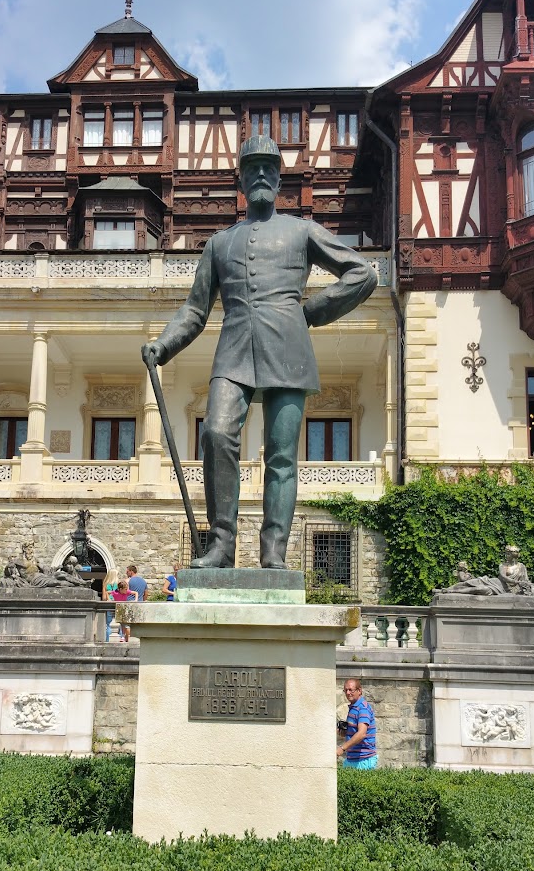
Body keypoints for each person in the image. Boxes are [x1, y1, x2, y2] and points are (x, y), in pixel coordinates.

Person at [142, 134, 377, 570]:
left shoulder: (302, 231)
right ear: (242, 180)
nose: (263, 174)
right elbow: (194, 311)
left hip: (289, 349)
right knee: (215, 432)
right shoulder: (218, 243)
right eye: (254, 168)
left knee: (282, 454)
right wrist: (163, 345)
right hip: (233, 352)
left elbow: (362, 274)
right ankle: (221, 545)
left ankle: (274, 553)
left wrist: (310, 312)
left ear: (280, 177)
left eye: (270, 167)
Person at [336, 678, 378, 770]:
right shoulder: (354, 707)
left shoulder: (363, 708)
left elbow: (361, 734)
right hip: (352, 759)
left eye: (351, 690)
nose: (347, 693)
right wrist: (343, 732)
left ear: (359, 691)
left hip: (363, 760)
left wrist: (342, 749)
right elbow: (354, 732)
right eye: (345, 690)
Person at [109, 578, 138, 643]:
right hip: (118, 609)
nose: (127, 590)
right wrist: (110, 600)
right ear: (120, 589)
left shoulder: (126, 592)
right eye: (125, 589)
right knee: (121, 623)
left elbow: (136, 593)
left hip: (124, 609)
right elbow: (108, 593)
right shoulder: (115, 593)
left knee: (124, 624)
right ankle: (123, 636)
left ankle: (124, 637)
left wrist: (136, 600)